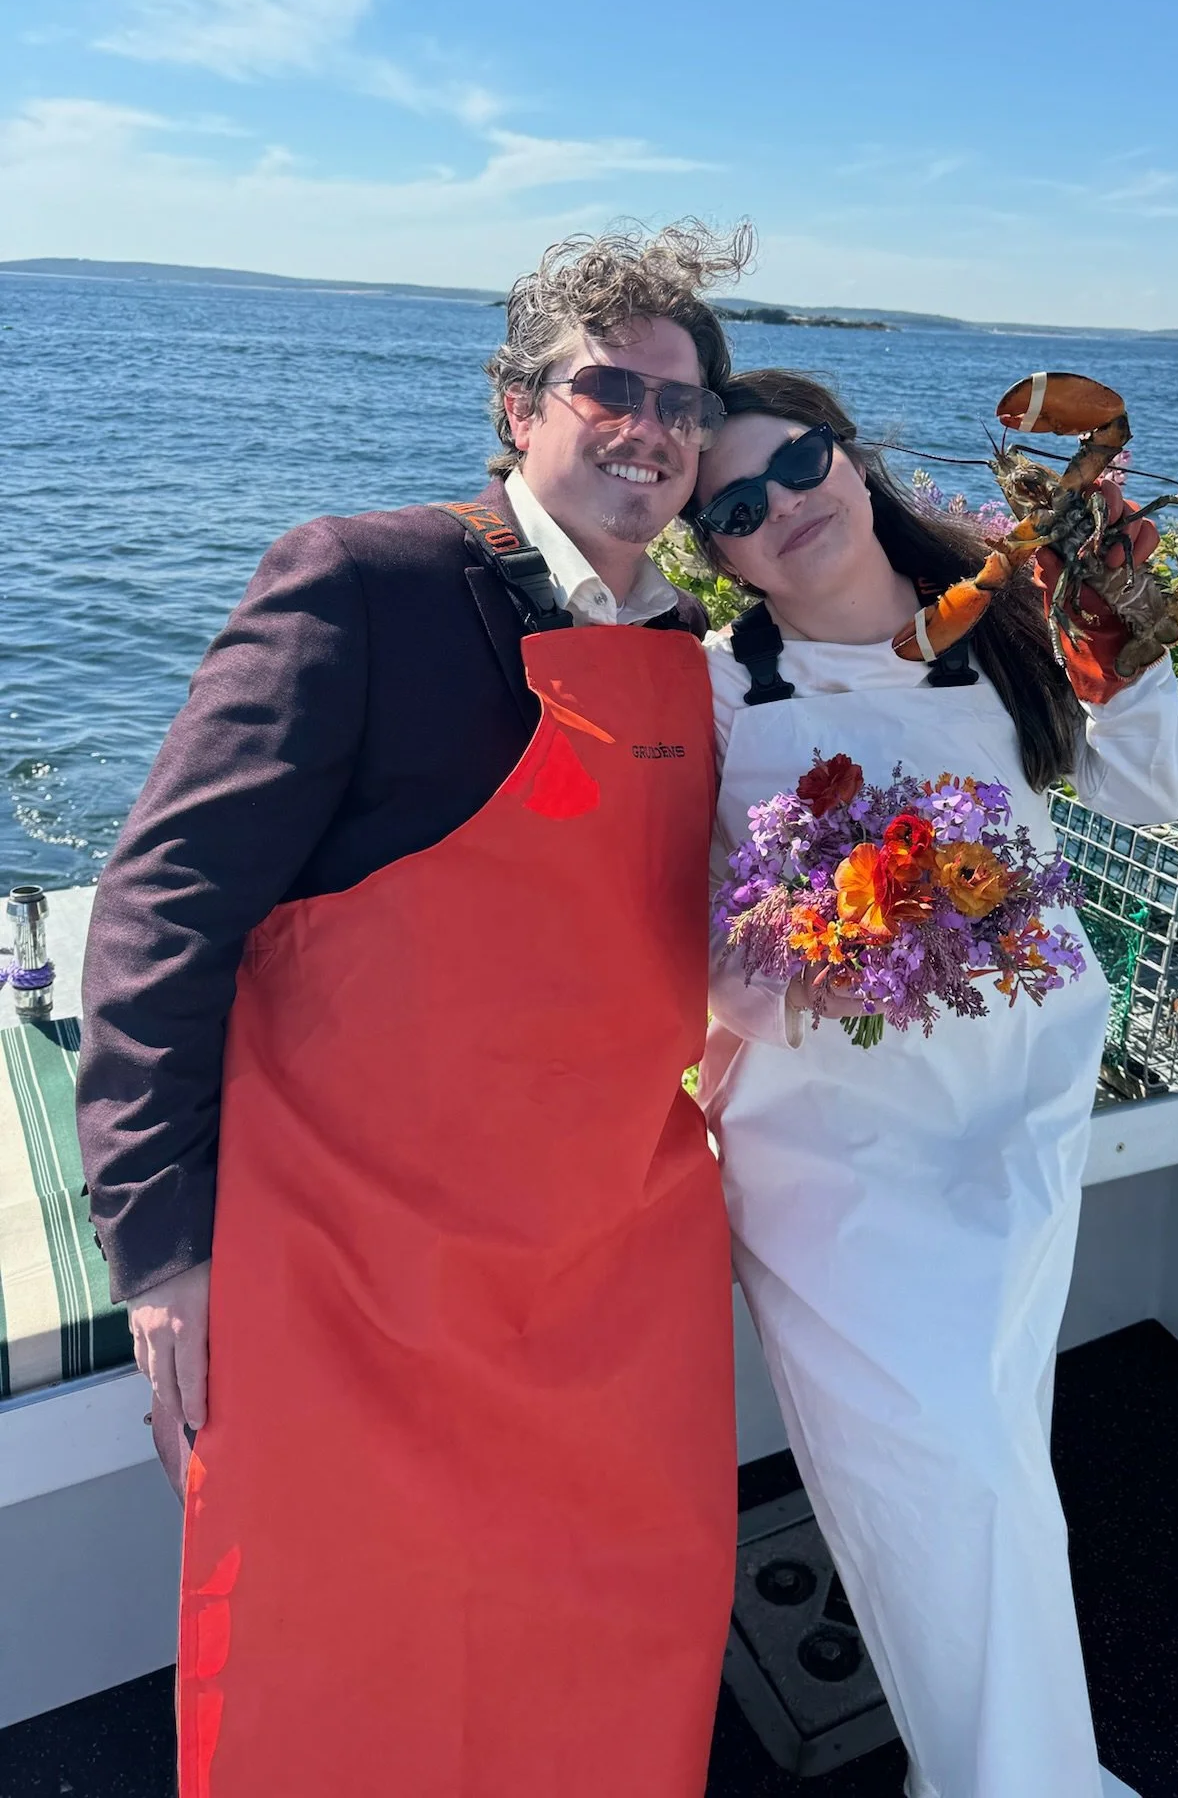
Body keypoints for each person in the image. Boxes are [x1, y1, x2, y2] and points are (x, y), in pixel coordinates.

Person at [75, 221, 753, 1798]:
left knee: (612, 1650)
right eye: (610, 388)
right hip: (352, 1271)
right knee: (343, 1683)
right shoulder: (365, 583)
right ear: (519, 406)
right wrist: (165, 1245)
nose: (650, 427)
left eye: (683, 402)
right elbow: (164, 913)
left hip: (611, 1269)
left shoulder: (700, 655)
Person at [689, 370, 1178, 1798]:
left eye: (797, 463)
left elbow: (1149, 797)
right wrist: (810, 945)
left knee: (996, 1473)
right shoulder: (718, 689)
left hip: (1015, 1110)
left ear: (847, 454)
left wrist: (1122, 621)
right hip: (823, 1156)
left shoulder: (1006, 614)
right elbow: (668, 931)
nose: (782, 506)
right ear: (711, 550)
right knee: (934, 1476)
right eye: (734, 507)